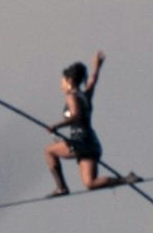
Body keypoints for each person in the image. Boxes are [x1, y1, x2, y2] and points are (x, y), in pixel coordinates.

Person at [44, 49, 127, 195]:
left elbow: (76, 116)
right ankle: (124, 180)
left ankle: (61, 187)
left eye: (62, 81)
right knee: (90, 183)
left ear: (69, 81)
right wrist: (97, 67)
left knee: (49, 151)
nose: (61, 85)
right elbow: (92, 82)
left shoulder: (71, 96)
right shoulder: (85, 95)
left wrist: (55, 126)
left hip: (80, 143)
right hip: (92, 145)